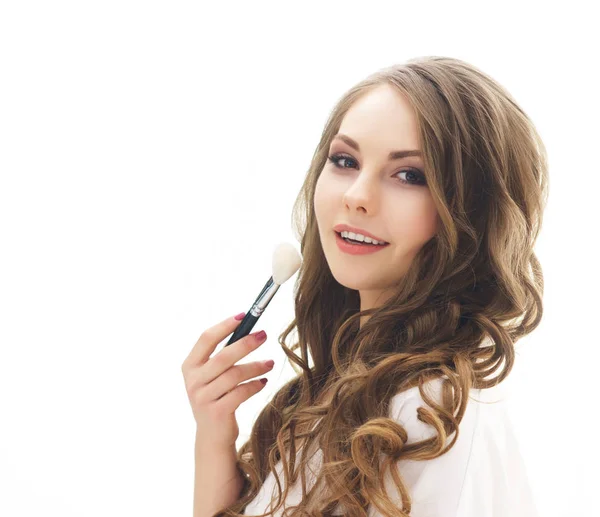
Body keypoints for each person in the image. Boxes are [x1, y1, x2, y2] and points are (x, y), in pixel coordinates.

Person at [182, 56, 548, 517]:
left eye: (409, 175)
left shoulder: (430, 416)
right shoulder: (340, 390)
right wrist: (214, 436)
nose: (356, 196)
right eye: (344, 160)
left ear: (470, 213)